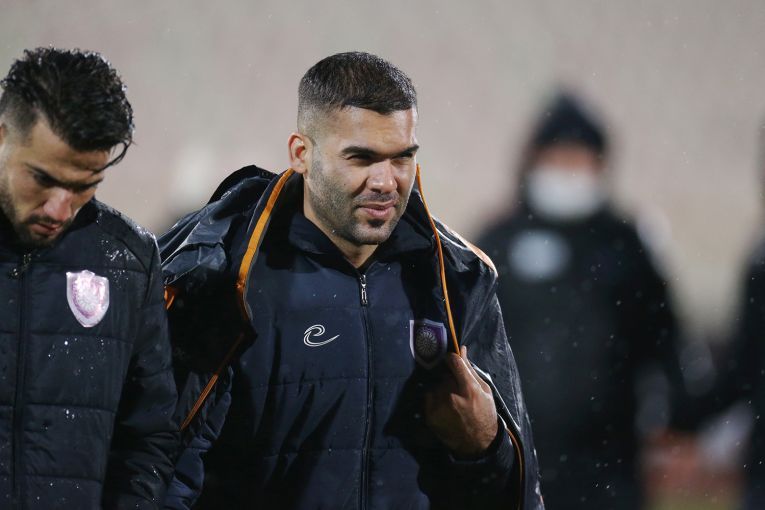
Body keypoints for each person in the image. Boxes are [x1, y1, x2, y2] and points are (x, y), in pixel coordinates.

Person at [161, 52, 543, 509]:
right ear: (301, 154)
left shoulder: (455, 281)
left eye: (402, 158)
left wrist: (485, 448)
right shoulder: (227, 278)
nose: (385, 181)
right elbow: (159, 473)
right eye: (361, 158)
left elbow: (513, 493)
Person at [477, 93, 689, 509]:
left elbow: (664, 341)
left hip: (609, 463)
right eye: (558, 160)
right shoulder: (497, 241)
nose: (567, 173)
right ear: (534, 161)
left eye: (578, 161)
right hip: (514, 457)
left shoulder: (626, 244)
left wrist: (680, 418)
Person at [0, 48, 178, 508]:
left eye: (83, 186)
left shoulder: (128, 260)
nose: (59, 209)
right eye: (42, 179)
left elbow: (149, 437)